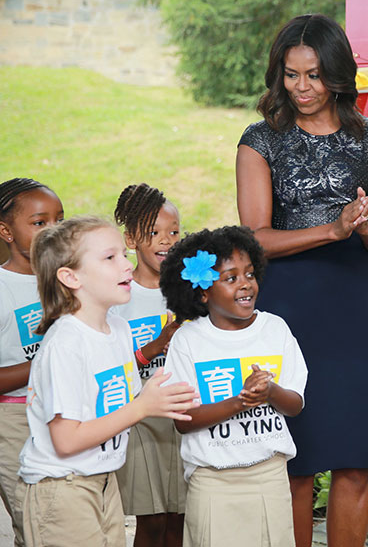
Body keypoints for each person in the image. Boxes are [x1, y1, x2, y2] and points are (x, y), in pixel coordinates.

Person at [235, 13, 368, 547]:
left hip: (355, 303)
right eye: (291, 74)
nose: (302, 87)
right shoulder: (259, 140)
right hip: (288, 305)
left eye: (313, 74)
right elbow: (255, 237)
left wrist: (363, 226)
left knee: (357, 457)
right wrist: (331, 230)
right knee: (296, 459)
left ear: (337, 73)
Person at [18, 216, 197, 547]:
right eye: (110, 258)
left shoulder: (118, 329)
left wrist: (162, 397)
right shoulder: (66, 344)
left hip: (103, 480)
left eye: (123, 256)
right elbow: (66, 441)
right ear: (70, 277)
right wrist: (143, 407)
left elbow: (119, 403)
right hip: (62, 487)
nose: (126, 266)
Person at [159, 225, 307, 547]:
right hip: (213, 481)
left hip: (269, 476)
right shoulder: (189, 340)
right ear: (202, 292)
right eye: (231, 278)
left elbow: (295, 404)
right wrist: (238, 402)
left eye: (250, 274)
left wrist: (271, 392)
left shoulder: (275, 329)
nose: (246, 284)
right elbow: (183, 421)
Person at [112, 183, 188, 547]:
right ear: (131, 239)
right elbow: (107, 363)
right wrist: (154, 346)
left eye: (174, 231)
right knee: (153, 521)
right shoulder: (118, 295)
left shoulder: (191, 291)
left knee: (180, 519)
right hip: (140, 422)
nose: (166, 241)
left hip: (186, 416)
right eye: (154, 232)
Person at [0, 178, 64, 547]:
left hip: (67, 412)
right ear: (6, 231)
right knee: (34, 523)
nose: (53, 230)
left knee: (65, 517)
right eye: (40, 222)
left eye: (59, 219)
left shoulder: (67, 278)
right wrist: (48, 361)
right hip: (15, 419)